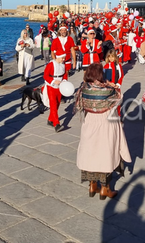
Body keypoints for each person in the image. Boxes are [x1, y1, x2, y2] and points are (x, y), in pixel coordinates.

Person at [74, 63, 130, 199]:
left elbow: (79, 104)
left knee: (90, 152)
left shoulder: (83, 89)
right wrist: (112, 85)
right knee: (105, 153)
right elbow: (119, 98)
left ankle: (92, 185)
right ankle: (105, 189)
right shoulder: (107, 90)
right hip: (105, 123)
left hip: (89, 122)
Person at [43, 51, 68, 132]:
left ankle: (50, 120)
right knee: (53, 104)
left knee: (57, 103)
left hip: (60, 86)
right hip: (51, 86)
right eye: (62, 58)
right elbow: (45, 75)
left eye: (64, 58)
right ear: (57, 57)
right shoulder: (50, 64)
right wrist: (53, 81)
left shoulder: (63, 65)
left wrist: (64, 80)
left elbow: (64, 74)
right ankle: (56, 124)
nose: (63, 59)